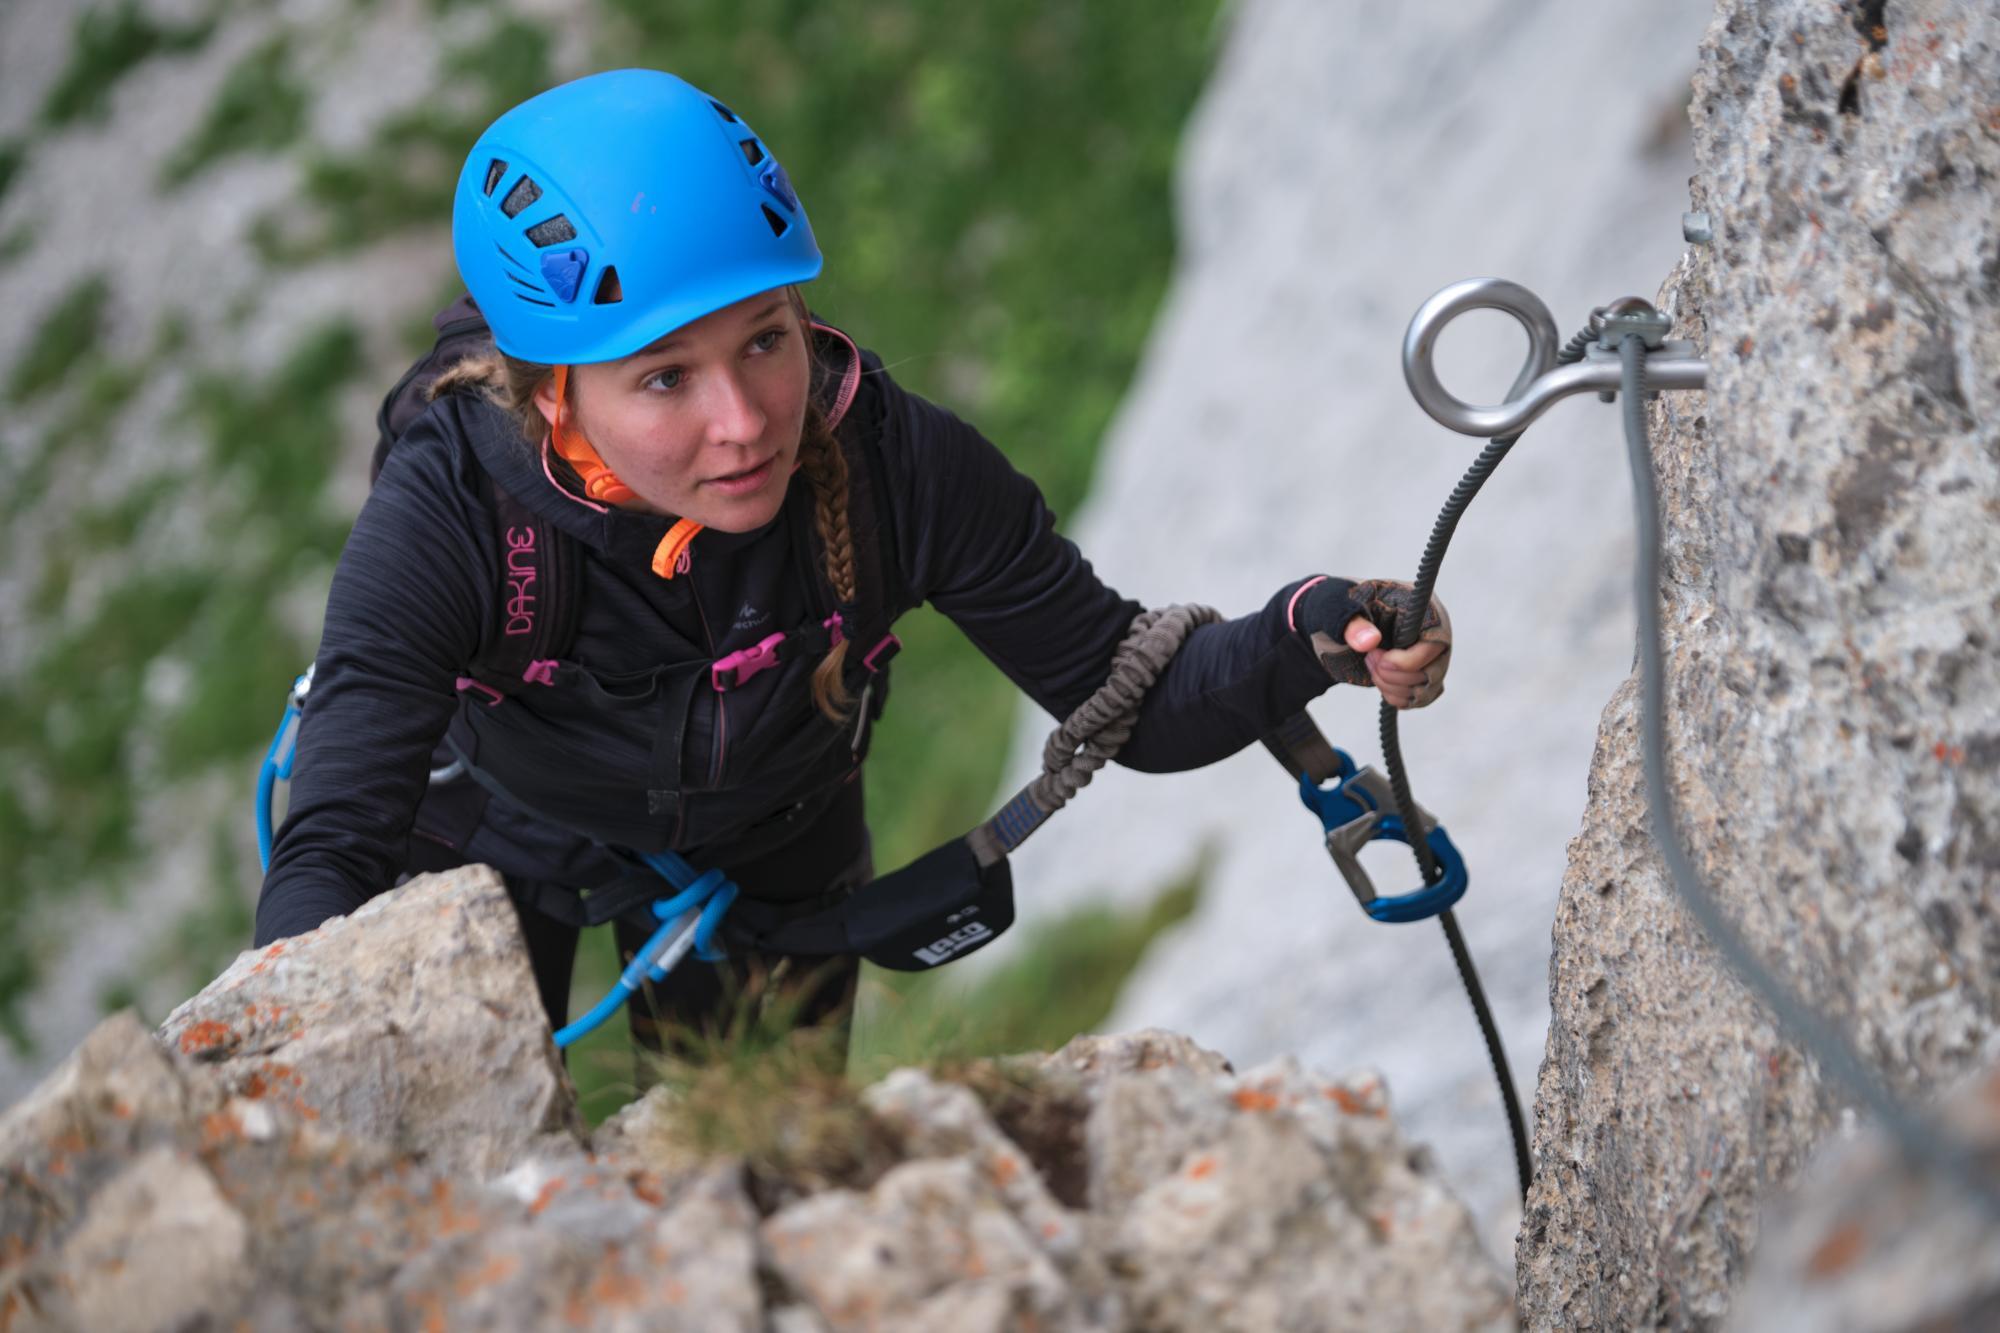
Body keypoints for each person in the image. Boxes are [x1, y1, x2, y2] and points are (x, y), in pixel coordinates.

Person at [253, 68, 1450, 1070]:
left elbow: (1129, 696)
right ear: (554, 392)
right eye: (665, 377)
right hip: (489, 825)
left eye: (764, 338)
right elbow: (337, 844)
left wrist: (1312, 630)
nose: (745, 420)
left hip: (767, 857)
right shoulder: (455, 508)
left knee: (751, 1190)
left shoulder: (884, 464)